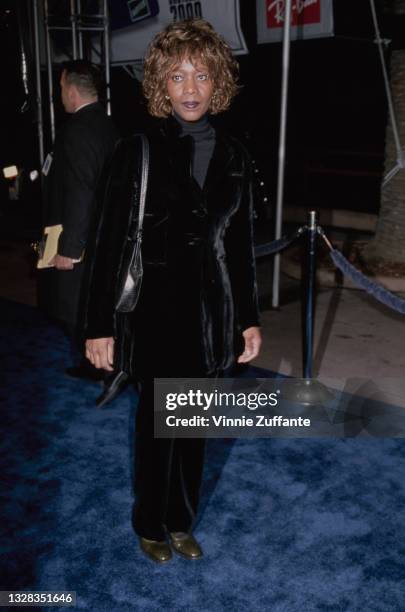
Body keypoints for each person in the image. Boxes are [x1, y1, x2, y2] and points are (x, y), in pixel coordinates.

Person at [82, 19, 262, 563]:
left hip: (212, 315)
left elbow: (238, 247)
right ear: (160, 84)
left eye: (201, 75)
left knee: (195, 429)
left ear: (218, 84)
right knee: (158, 429)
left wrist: (247, 318)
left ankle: (181, 521)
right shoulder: (138, 149)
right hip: (155, 315)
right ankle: (151, 525)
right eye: (178, 76)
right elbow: (109, 242)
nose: (190, 88)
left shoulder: (235, 155)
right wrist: (97, 326)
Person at [38, 60, 125, 405]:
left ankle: (106, 367)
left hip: (79, 239)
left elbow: (80, 191)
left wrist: (69, 248)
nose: (60, 96)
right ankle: (99, 366)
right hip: (103, 234)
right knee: (94, 307)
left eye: (60, 89)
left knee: (74, 308)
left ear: (69, 89)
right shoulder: (107, 125)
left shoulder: (76, 131)